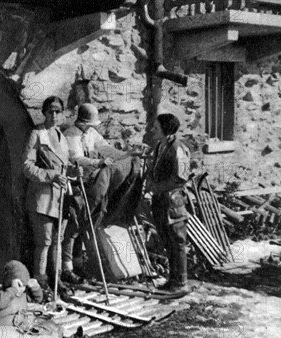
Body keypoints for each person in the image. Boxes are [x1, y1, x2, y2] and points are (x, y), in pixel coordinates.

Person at [62, 103, 140, 282]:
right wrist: (97, 163)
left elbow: (105, 148)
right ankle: (66, 268)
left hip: (92, 183)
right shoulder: (70, 135)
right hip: (76, 184)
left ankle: (78, 263)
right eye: (88, 124)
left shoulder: (91, 133)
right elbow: (75, 158)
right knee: (74, 225)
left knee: (86, 223)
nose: (90, 127)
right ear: (81, 122)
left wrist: (126, 154)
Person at [22, 96, 79, 296]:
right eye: (50, 111)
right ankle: (41, 283)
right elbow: (27, 166)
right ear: (44, 113)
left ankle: (57, 280)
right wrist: (51, 176)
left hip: (60, 198)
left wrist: (73, 171)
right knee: (44, 242)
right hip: (42, 197)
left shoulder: (60, 136)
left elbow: (63, 164)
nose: (54, 115)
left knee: (57, 240)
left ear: (62, 114)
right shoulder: (38, 134)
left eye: (58, 111)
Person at [147, 113, 190, 292]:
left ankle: (181, 283)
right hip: (160, 201)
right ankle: (173, 280)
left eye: (156, 128)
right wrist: (150, 180)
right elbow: (155, 168)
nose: (152, 130)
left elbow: (181, 178)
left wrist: (158, 187)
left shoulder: (178, 148)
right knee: (167, 239)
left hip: (173, 202)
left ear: (166, 129)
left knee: (177, 241)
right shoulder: (159, 146)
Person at [0, 260, 62, 337]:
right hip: (8, 332)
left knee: (52, 325)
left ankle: (61, 336)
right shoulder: (2, 295)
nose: (22, 289)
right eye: (19, 285)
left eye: (24, 286)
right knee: (47, 333)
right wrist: (13, 289)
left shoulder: (21, 295)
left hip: (23, 325)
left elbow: (37, 299)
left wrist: (35, 288)